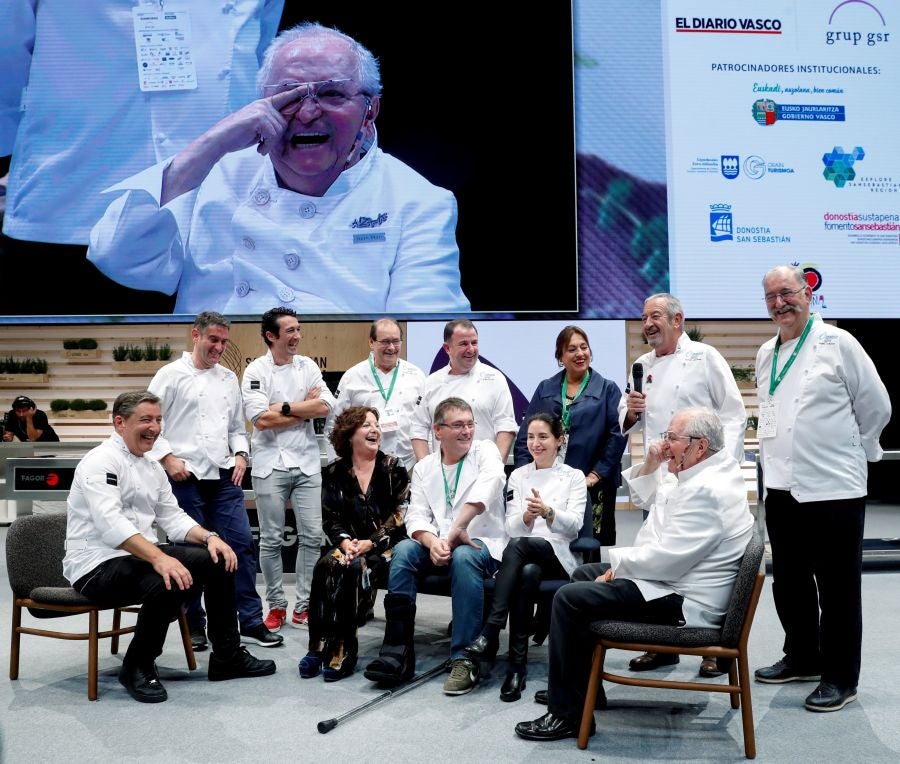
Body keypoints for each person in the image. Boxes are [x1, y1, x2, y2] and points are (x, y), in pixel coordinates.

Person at [86, 21, 470, 315]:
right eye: (288, 96)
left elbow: (426, 329)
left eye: (331, 93)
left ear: (370, 110)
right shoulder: (211, 176)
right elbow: (118, 257)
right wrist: (212, 143)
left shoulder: (418, 201)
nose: (307, 112)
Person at [0, 0, 285, 315]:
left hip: (209, 217)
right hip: (70, 201)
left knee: (204, 360)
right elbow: (5, 59)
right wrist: (13, 158)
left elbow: (262, 62)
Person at [515, 407, 754, 741]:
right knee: (584, 574)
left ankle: (566, 715)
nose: (664, 443)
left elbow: (669, 558)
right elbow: (657, 500)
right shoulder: (706, 471)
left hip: (684, 600)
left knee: (569, 599)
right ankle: (581, 690)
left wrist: (619, 568)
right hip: (676, 580)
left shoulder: (708, 490)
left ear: (700, 446)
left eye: (672, 437)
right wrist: (658, 462)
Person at [63, 390, 276, 703]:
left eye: (159, 419)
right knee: (168, 578)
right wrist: (160, 559)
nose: (155, 427)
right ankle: (137, 665)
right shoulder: (99, 462)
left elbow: (173, 517)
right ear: (120, 423)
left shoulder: (151, 466)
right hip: (96, 565)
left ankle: (226, 656)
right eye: (145, 419)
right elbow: (111, 524)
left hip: (138, 558)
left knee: (219, 558)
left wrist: (210, 538)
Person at [753, 265, 891, 713]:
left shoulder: (839, 342)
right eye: (771, 296)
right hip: (781, 486)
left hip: (834, 487)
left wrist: (861, 449)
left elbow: (876, 404)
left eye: (788, 293)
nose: (780, 303)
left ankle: (840, 678)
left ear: (808, 293)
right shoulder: (764, 353)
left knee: (837, 587)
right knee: (789, 582)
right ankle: (803, 657)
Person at [619, 293, 745, 677]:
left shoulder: (705, 357)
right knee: (659, 558)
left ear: (677, 319)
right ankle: (662, 644)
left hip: (701, 473)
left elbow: (734, 414)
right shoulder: (641, 365)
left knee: (704, 561)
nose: (648, 324)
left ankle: (714, 642)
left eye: (655, 316)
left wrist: (723, 468)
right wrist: (631, 412)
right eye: (643, 318)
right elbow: (625, 419)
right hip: (661, 473)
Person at [148, 311, 282, 650]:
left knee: (241, 546)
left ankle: (250, 621)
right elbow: (148, 422)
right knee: (192, 553)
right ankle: (194, 624)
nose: (219, 347)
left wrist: (240, 454)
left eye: (224, 342)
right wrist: (167, 458)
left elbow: (237, 428)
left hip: (223, 476)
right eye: (213, 340)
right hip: (184, 477)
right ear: (196, 335)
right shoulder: (170, 375)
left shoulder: (227, 379)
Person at [364, 397, 507, 696]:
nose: (467, 431)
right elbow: (417, 515)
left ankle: (465, 658)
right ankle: (397, 648)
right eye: (458, 425)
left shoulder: (485, 451)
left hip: (481, 541)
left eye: (470, 424)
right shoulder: (425, 466)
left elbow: (490, 484)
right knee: (403, 551)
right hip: (438, 542)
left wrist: (457, 529)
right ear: (437, 431)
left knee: (465, 556)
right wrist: (431, 542)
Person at [466, 413, 585, 702]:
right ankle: (515, 669)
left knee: (520, 546)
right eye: (530, 437)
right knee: (527, 573)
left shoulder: (574, 476)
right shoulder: (518, 475)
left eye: (543, 437)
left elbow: (575, 526)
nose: (535, 443)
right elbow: (510, 526)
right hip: (525, 560)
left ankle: (492, 628)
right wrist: (527, 516)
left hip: (558, 554)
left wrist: (548, 512)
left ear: (559, 440)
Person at [298, 406, 410, 682]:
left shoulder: (393, 467)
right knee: (325, 566)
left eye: (376, 424)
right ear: (349, 435)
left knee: (351, 569)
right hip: (349, 545)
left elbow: (401, 515)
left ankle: (342, 651)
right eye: (366, 425)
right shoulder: (335, 471)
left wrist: (369, 544)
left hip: (386, 548)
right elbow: (330, 517)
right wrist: (346, 542)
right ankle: (317, 646)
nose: (375, 430)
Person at [242, 306, 336, 631]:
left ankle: (305, 605)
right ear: (272, 336)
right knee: (269, 539)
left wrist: (283, 407)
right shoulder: (255, 371)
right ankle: (277, 606)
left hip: (308, 462)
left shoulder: (308, 366)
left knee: (311, 536)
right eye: (290, 331)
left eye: (298, 329)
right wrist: (303, 410)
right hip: (269, 464)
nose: (297, 336)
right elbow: (261, 420)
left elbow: (325, 405)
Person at [514, 325, 626, 547]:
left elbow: (617, 435)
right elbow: (527, 434)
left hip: (592, 483)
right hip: (549, 484)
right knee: (546, 540)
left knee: (588, 545)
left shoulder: (607, 389)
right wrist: (523, 475)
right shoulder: (545, 388)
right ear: (560, 357)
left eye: (584, 347)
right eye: (572, 349)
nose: (580, 354)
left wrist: (596, 474)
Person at [324, 318, 425, 472]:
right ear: (371, 342)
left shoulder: (417, 375)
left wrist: (425, 462)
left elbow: (426, 421)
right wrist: (338, 462)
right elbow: (333, 425)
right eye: (385, 341)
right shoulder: (352, 377)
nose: (391, 347)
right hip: (362, 467)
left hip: (409, 464)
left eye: (396, 341)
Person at [410, 319, 517, 463]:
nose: (471, 349)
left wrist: (495, 469)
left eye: (474, 343)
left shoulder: (495, 379)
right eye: (463, 344)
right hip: (443, 472)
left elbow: (505, 426)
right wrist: (426, 469)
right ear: (447, 348)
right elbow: (418, 428)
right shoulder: (431, 382)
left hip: (483, 471)